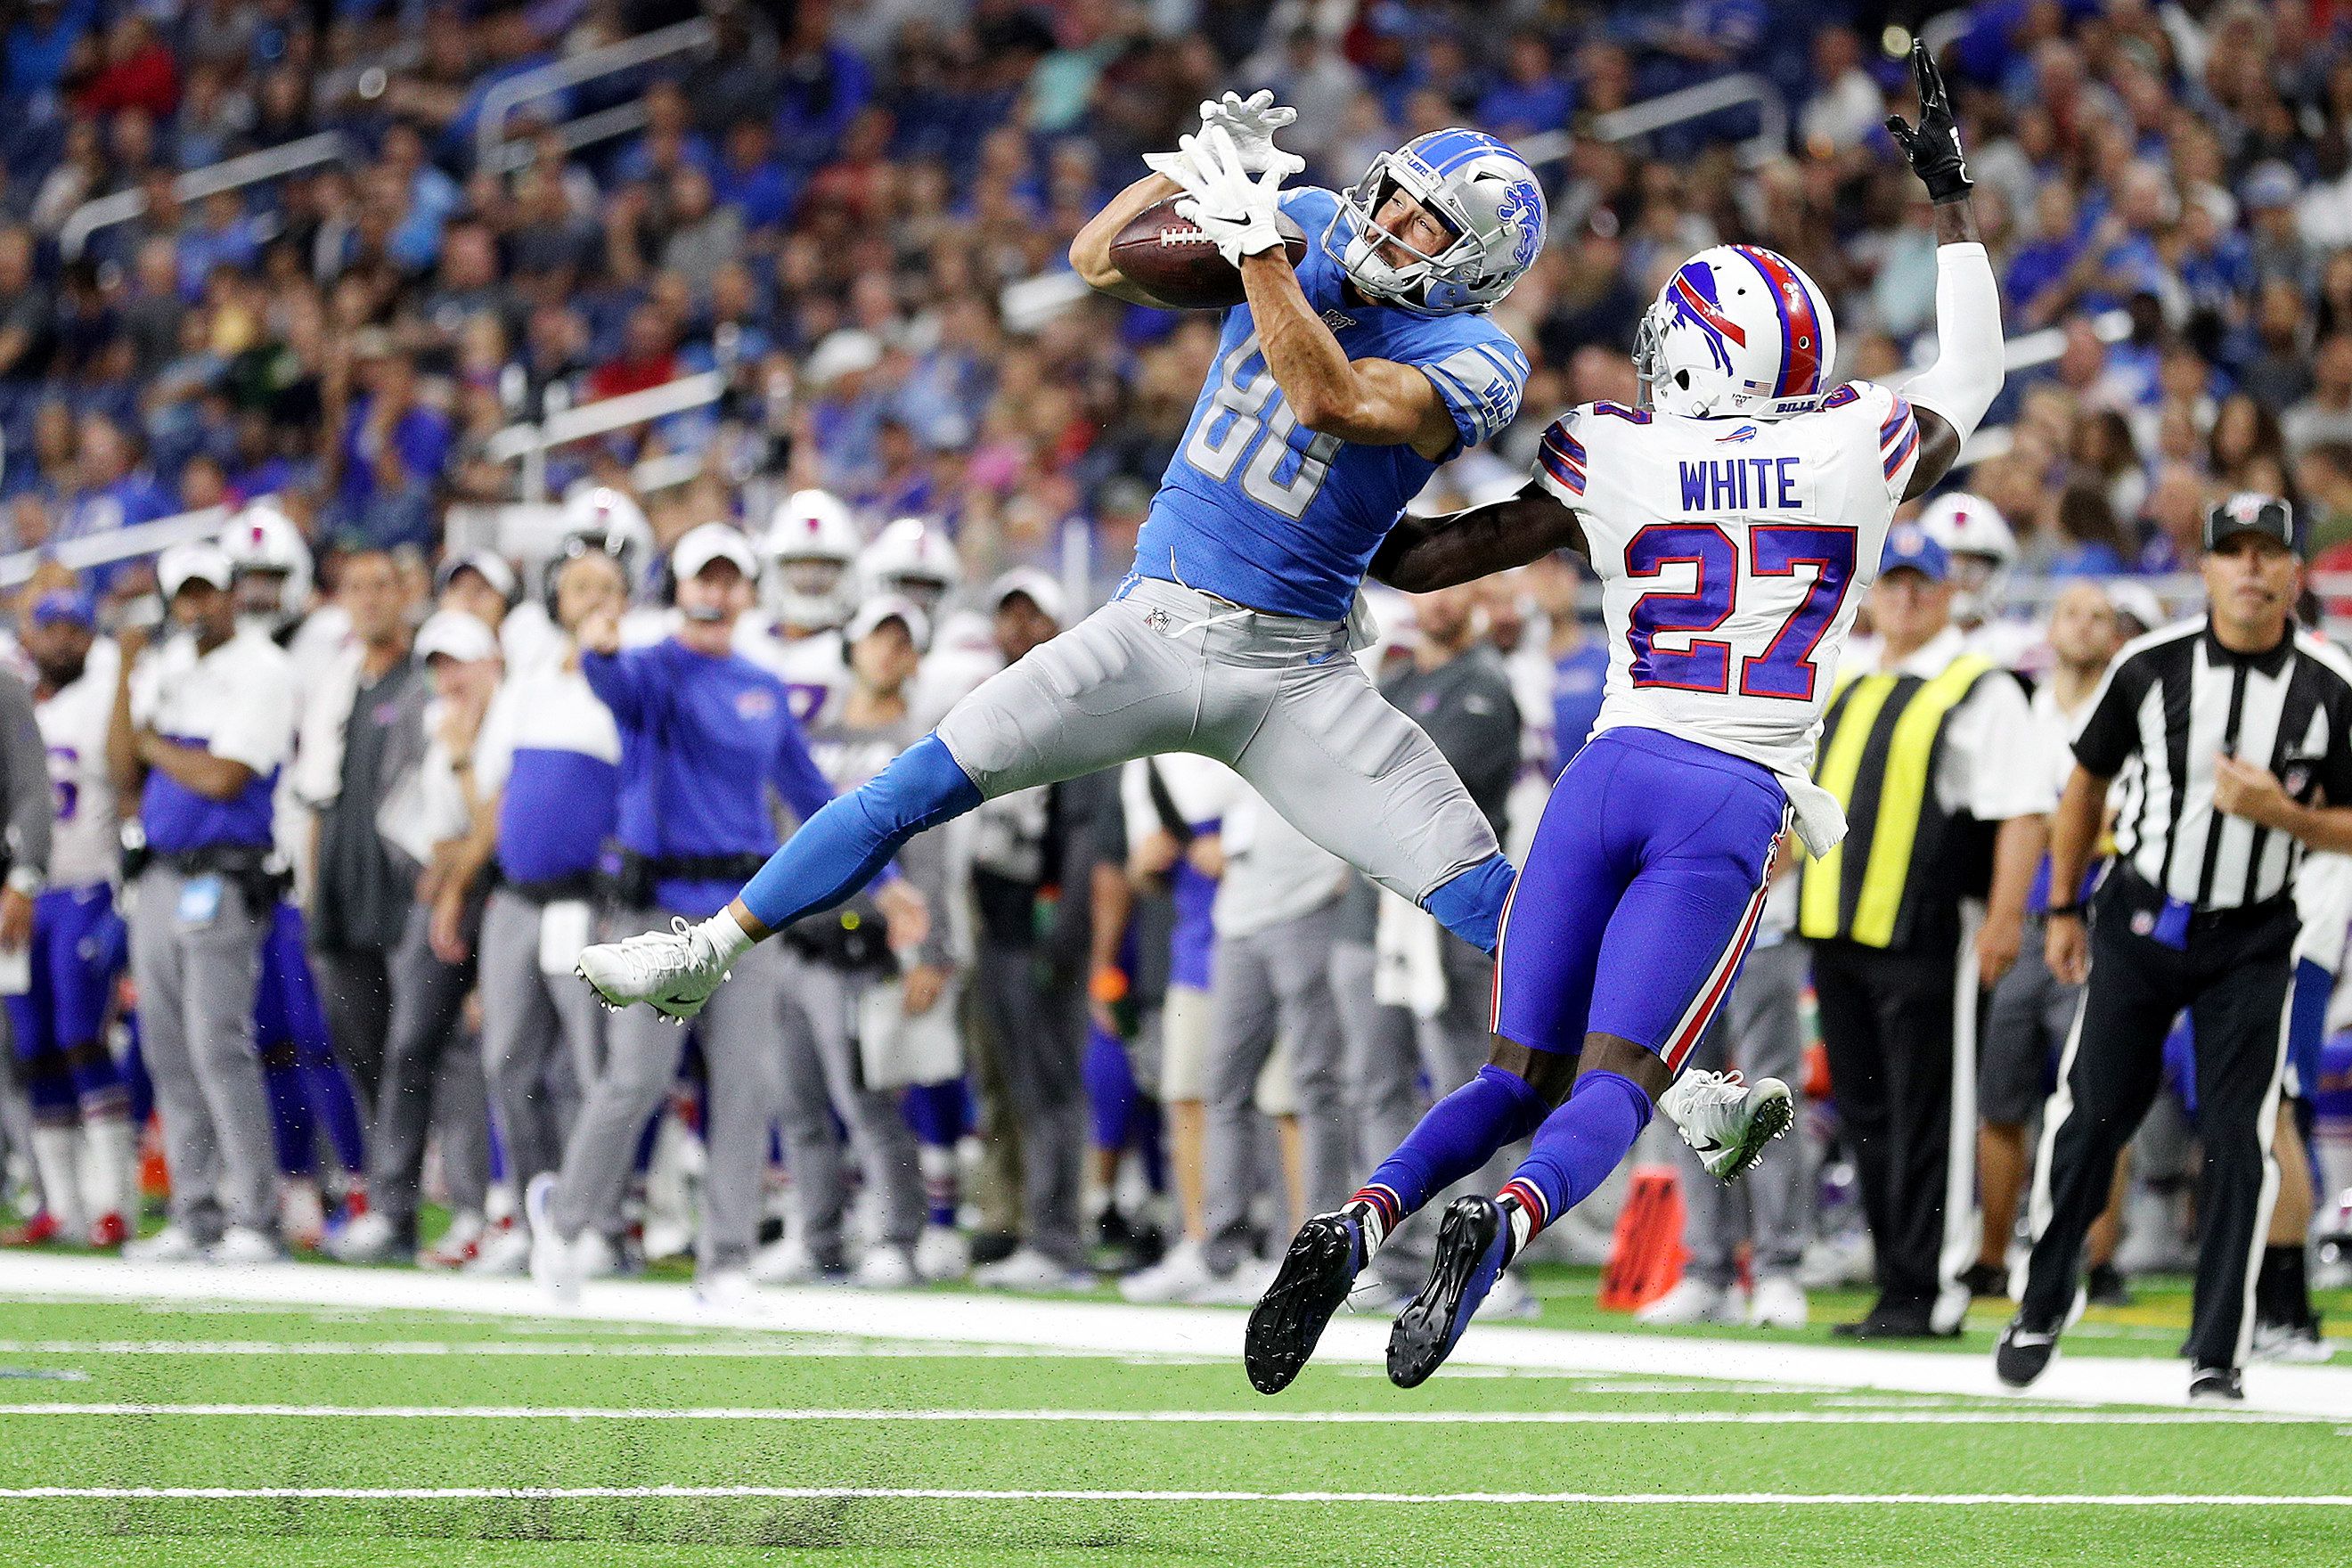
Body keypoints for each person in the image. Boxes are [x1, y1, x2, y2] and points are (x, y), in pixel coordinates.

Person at [1241, 45, 2005, 1392]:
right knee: (1618, 1083)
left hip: (1603, 775)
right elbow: (1980, 369)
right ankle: (1510, 1222)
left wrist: (1326, 458)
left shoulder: (1617, 448)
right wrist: (1951, 199)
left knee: (1509, 1068)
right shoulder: (1854, 448)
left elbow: (1422, 561)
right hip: (1726, 794)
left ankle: (1361, 1215)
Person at [570, 96, 1543, 1033]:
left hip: (1296, 673)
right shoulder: (1308, 224)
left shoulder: (1476, 357)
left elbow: (1333, 399)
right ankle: (705, 950)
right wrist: (1176, 167)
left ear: (1480, 269)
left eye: (1430, 223)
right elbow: (1096, 262)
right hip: (1148, 628)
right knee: (912, 785)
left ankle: (1678, 1081)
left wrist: (1256, 250)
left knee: (1480, 890)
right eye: (1396, 196)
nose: (1392, 223)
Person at [2000, 494, 2352, 1403]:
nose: (2249, 568)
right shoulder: (2148, 666)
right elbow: (2085, 785)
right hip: (2144, 916)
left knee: (2239, 1137)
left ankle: (2216, 1349)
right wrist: (2066, 904)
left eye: (2265, 552)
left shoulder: (2328, 682)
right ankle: (2042, 1301)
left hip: (2256, 929)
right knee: (2092, 1113)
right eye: (2230, 551)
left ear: (2292, 570)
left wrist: (2285, 814)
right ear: (2203, 569)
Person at [527, 524, 919, 1302]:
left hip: (741, 916)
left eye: (726, 579)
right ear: (679, 589)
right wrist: (600, 647)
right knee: (634, 1081)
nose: (713, 591)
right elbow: (611, 687)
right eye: (700, 578)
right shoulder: (650, 669)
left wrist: (890, 878)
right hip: (654, 907)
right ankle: (566, 1225)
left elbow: (812, 796)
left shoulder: (760, 686)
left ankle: (728, 1257)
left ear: (746, 593)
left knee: (744, 1088)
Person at [1800, 527, 2046, 1340]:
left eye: (1921, 584)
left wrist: (2005, 920)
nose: (1905, 597)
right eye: (1892, 582)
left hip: (1929, 930)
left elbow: (2019, 809)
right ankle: (1893, 1279)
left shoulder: (1980, 686)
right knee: (1867, 1112)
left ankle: (1931, 1286)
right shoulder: (1843, 679)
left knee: (1929, 1110)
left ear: (1947, 594)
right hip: (1836, 929)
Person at [111, 542, 298, 1263]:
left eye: (209, 593)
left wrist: (155, 742)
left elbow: (223, 778)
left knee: (218, 1043)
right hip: (158, 874)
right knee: (166, 1047)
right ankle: (195, 1213)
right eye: (184, 595)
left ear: (230, 594)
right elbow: (120, 764)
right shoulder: (166, 666)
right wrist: (130, 672)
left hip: (220, 876)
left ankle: (256, 1215)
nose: (198, 607)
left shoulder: (262, 668)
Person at [757, 594, 944, 1287]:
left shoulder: (923, 746)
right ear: (853, 647)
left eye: (902, 643)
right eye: (877, 639)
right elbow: (780, 839)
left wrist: (932, 952)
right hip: (795, 944)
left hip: (868, 950)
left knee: (867, 1104)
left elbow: (931, 857)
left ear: (916, 659)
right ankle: (818, 1236)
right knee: (798, 1105)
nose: (887, 653)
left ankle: (897, 1236)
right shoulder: (816, 739)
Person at [453, 539, 628, 1276]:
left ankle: (597, 1223)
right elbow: (493, 796)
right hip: (516, 900)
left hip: (586, 903)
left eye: (605, 587)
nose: (590, 599)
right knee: (507, 1064)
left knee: (593, 1072)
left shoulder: (629, 681)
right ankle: (534, 1215)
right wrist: (460, 884)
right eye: (578, 586)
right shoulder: (528, 683)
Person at [1972, 582, 2126, 1303]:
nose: (2086, 627)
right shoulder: (2020, 711)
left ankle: (2098, 1257)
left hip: (2098, 925)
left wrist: (2063, 832)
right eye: (2073, 612)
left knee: (2096, 1095)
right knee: (2001, 1097)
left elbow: (2121, 822)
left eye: (2100, 617)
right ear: (2051, 627)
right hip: (2022, 923)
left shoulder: (2134, 712)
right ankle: (1992, 1254)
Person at [0, 608, 73, 1243]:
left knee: (13, 1049)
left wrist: (24, 876)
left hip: (2, 889)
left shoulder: (4, 686)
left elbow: (30, 790)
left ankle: (49, 1192)